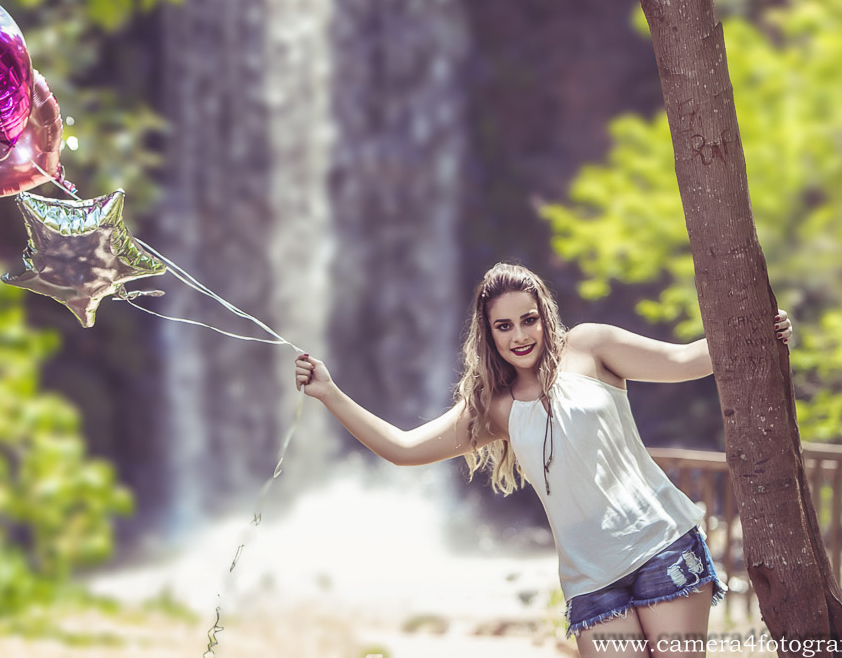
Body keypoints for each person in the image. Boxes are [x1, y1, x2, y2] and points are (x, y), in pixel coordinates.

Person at [293, 262, 792, 658]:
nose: (519, 336)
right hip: (590, 579)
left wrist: (760, 335)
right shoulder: (494, 407)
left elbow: (687, 360)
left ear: (544, 314)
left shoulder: (592, 348)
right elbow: (404, 449)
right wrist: (330, 393)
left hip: (661, 544)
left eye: (527, 319)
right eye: (503, 326)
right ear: (487, 334)